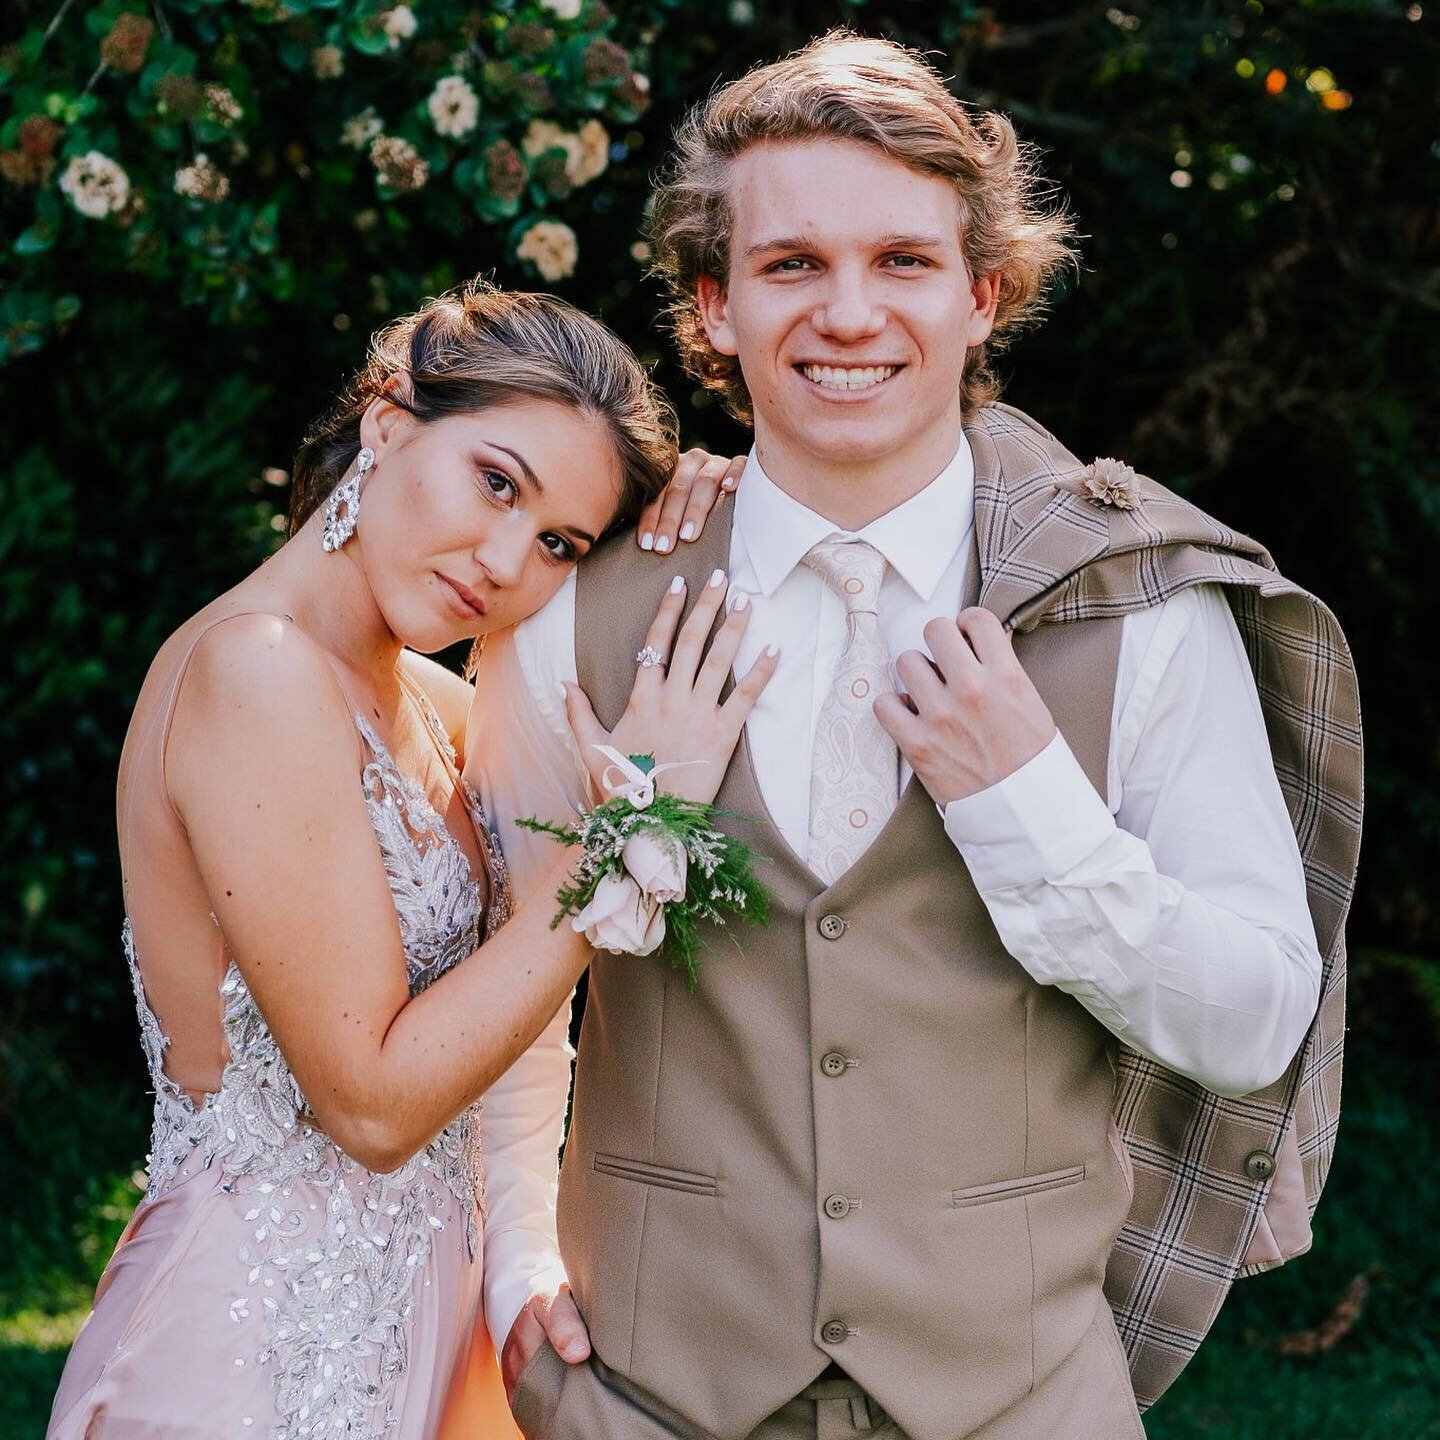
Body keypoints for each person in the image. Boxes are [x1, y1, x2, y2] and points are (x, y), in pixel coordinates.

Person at [467, 31, 1363, 1440]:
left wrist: (1029, 807)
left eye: (902, 261)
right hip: (641, 1397)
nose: (847, 315)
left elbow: (1254, 1020)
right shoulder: (567, 617)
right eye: (788, 266)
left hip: (1025, 1401)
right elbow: (494, 1004)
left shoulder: (1146, 616)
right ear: (712, 306)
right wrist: (518, 1262)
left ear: (982, 295)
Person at [46, 280, 771, 1439]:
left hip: (425, 1331)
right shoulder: (254, 671)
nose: (502, 559)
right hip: (253, 1351)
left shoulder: (434, 701)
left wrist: (738, 514)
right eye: (496, 480)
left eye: (557, 542)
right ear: (389, 423)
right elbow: (372, 1108)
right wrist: (628, 836)